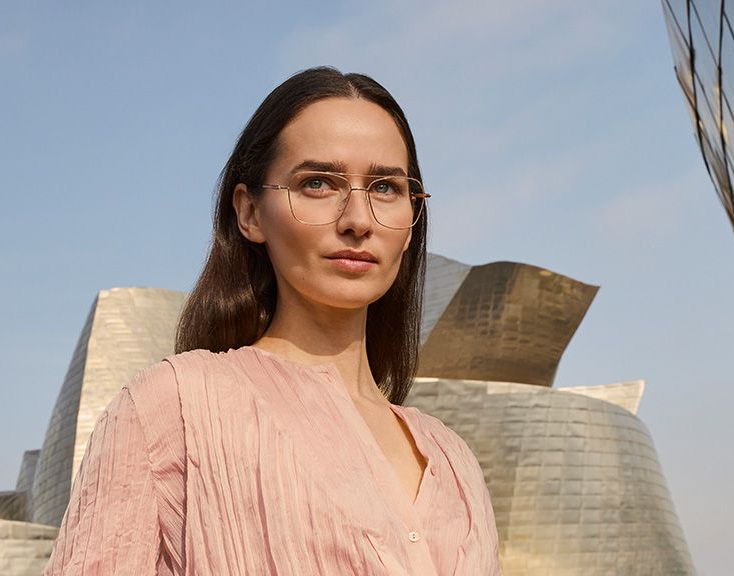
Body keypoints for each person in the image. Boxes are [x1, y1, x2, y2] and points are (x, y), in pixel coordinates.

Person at [44, 66, 501, 575]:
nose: (358, 219)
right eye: (318, 183)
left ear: (412, 221)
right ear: (250, 214)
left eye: (386, 188)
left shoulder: (455, 461)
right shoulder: (171, 409)